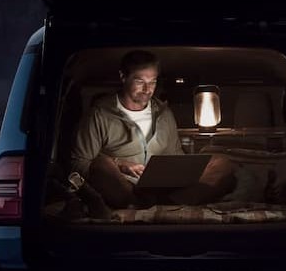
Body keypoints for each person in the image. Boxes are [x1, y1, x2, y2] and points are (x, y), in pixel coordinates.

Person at [70, 50, 235, 209]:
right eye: (140, 81)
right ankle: (136, 201)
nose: (147, 89)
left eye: (153, 82)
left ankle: (171, 203)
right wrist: (119, 164)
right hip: (125, 185)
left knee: (222, 163)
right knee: (101, 164)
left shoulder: (164, 113)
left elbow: (175, 155)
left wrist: (183, 173)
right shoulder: (99, 115)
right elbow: (79, 164)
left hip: (166, 186)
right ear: (123, 77)